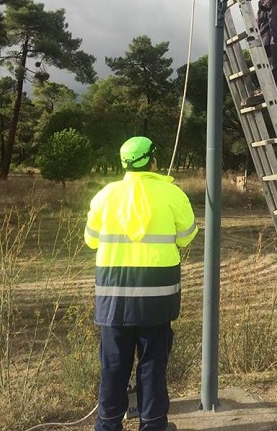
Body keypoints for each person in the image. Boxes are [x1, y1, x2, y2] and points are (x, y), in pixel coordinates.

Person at [84, 136, 198, 431]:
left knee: (112, 365)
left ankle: (107, 425)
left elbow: (91, 239)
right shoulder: (171, 193)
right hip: (157, 297)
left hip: (113, 297)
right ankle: (153, 424)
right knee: (152, 364)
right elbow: (186, 235)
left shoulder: (105, 195)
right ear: (153, 160)